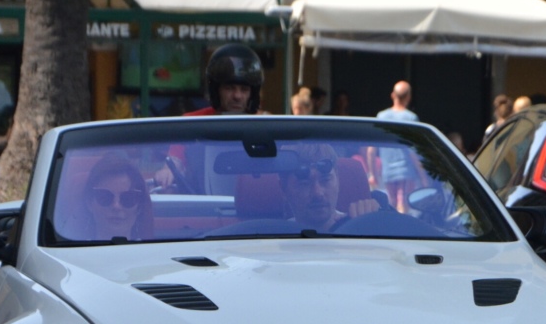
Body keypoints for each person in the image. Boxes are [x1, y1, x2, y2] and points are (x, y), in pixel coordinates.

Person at [154, 44, 264, 188]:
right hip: (203, 204)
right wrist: (168, 171)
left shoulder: (264, 125)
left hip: (253, 203)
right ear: (216, 90)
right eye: (229, 88)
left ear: (252, 94)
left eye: (244, 90)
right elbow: (176, 160)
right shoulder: (192, 122)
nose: (237, 95)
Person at [279, 145, 378, 233]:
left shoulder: (363, 229)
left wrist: (374, 220)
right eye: (305, 184)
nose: (318, 193)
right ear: (284, 188)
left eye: (325, 180)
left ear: (338, 180)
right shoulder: (272, 239)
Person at [374, 81, 421, 209]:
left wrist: (372, 173)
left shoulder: (381, 116)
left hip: (387, 170)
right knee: (403, 201)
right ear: (409, 97)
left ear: (392, 95)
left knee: (391, 202)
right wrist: (422, 175)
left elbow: (371, 149)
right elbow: (413, 151)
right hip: (406, 171)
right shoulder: (411, 118)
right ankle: (401, 227)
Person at [81, 158, 153, 242]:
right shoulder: (72, 254)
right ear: (89, 203)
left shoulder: (156, 254)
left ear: (139, 207)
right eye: (105, 197)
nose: (116, 206)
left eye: (127, 198)